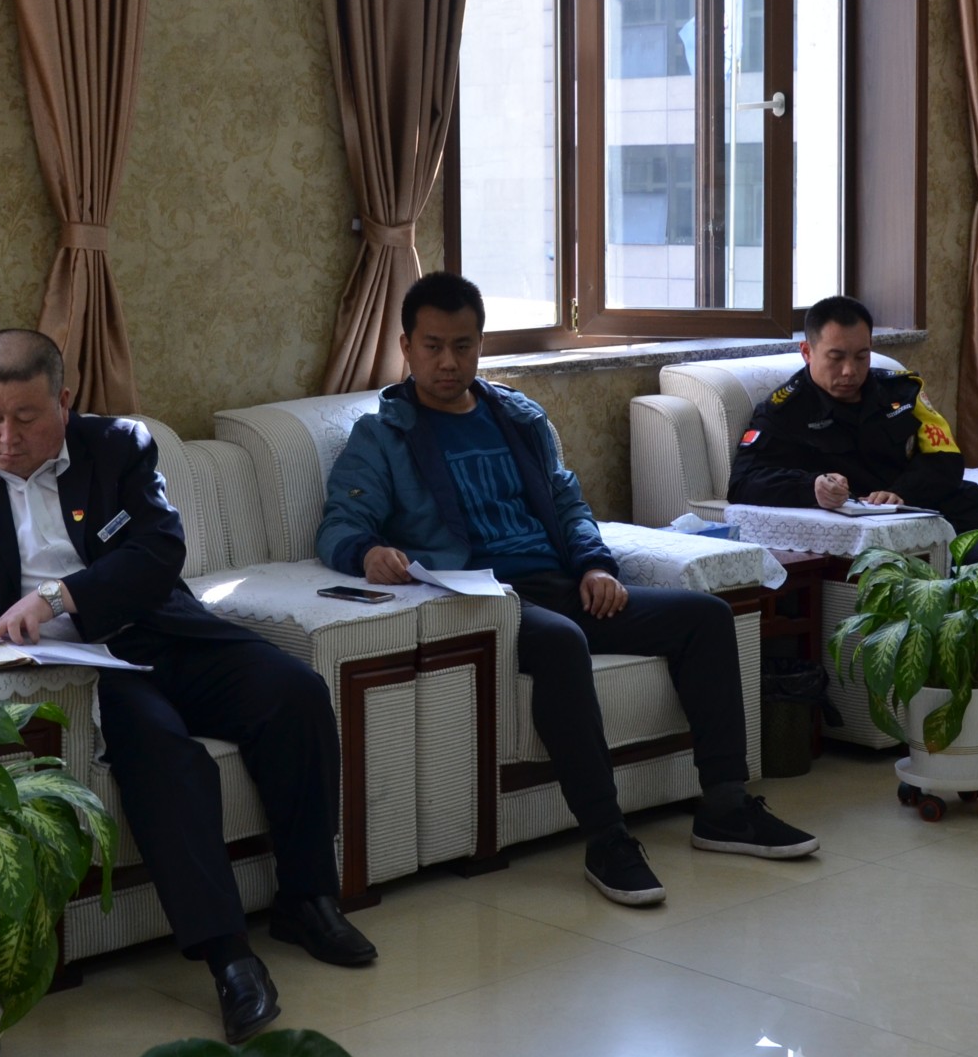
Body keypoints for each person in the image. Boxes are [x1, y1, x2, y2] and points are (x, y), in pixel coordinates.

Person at [0, 329, 373, 1044]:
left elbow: (158, 550)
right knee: (163, 753)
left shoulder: (119, 447)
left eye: (25, 417)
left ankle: (308, 900)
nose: (4, 438)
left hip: (160, 632)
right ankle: (229, 959)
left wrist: (58, 597)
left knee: (294, 692)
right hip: (79, 671)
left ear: (63, 401)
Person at [317, 272, 817, 909]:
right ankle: (607, 838)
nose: (448, 362)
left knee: (705, 617)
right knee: (560, 643)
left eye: (463, 346)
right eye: (433, 346)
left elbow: (570, 505)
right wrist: (367, 553)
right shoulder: (383, 435)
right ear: (406, 347)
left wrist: (595, 566)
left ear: (480, 346)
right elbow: (339, 526)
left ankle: (725, 808)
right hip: (487, 601)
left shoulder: (517, 417)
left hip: (562, 583)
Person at [727, 295, 978, 766]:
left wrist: (901, 490)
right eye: (835, 357)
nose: (850, 371)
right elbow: (744, 481)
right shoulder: (784, 412)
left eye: (861, 356)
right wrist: (812, 488)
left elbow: (946, 458)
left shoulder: (901, 392)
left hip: (967, 509)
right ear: (807, 352)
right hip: (920, 541)